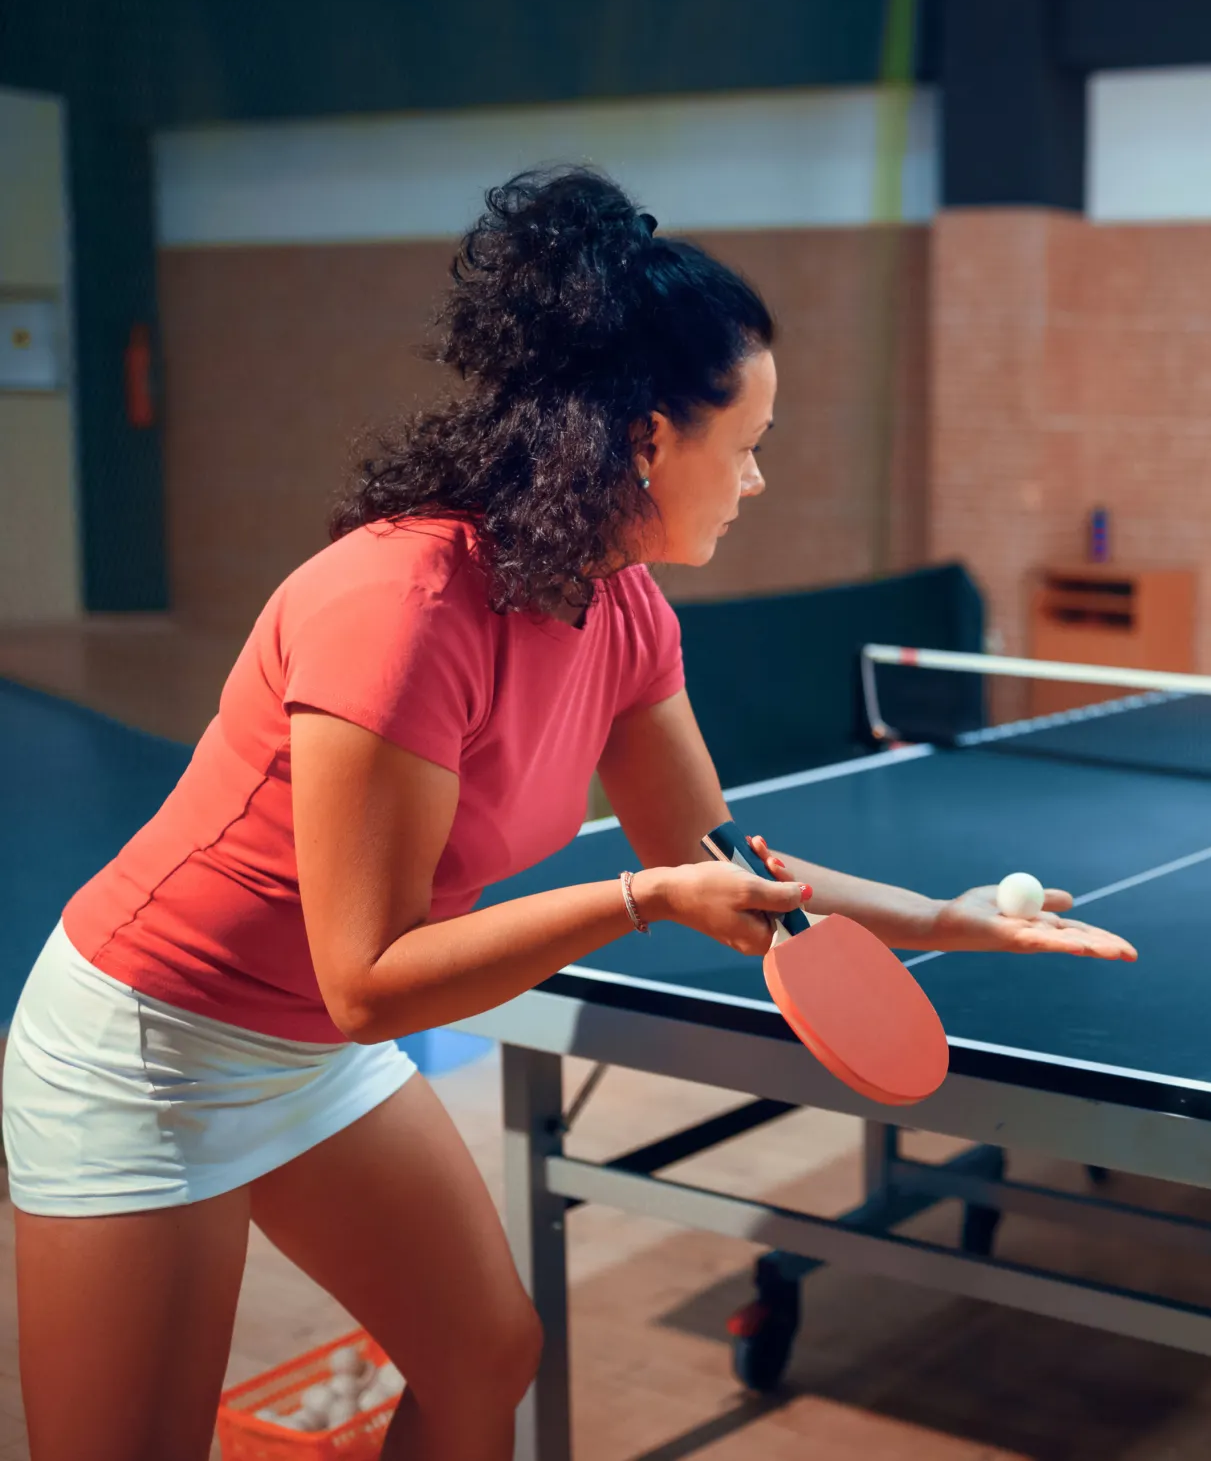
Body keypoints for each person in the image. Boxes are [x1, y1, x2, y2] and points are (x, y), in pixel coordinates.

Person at [3, 167, 1135, 1461]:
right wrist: (639, 900)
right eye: (750, 441)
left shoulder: (625, 602)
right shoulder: (404, 607)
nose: (758, 478)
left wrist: (954, 917)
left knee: (487, 1351)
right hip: (155, 1044)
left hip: (303, 1048)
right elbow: (371, 980)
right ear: (652, 436)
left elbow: (713, 860)